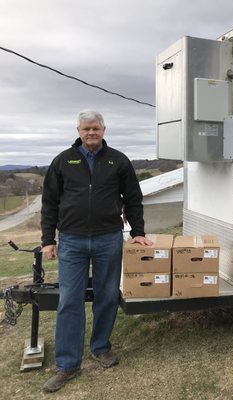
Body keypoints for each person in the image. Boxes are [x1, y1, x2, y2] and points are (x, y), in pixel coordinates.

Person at [40, 110, 152, 393]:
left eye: (96, 128)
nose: (91, 133)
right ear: (78, 130)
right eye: (86, 128)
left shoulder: (118, 160)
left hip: (108, 239)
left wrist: (138, 232)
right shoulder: (63, 161)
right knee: (69, 301)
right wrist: (48, 239)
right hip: (72, 242)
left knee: (106, 296)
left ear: (104, 129)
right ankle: (67, 364)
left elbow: (133, 199)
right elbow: (50, 202)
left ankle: (100, 347)